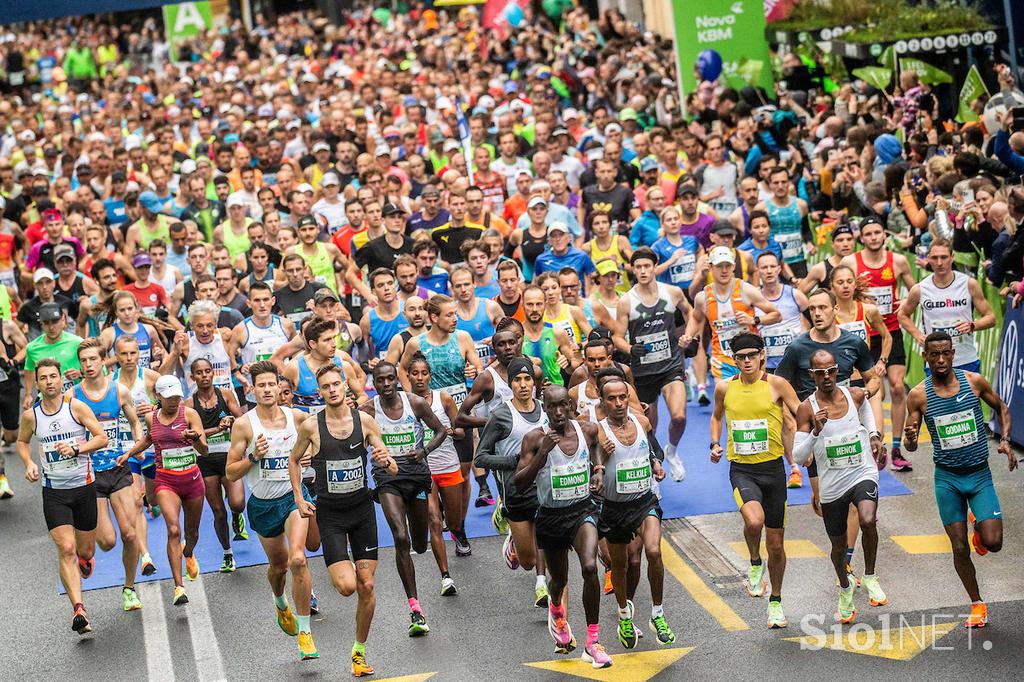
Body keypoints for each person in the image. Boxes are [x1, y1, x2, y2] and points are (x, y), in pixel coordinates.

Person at [288, 363, 396, 677]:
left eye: (337, 384)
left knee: (367, 584)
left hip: (362, 511)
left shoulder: (365, 421)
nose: (333, 390)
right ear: (319, 392)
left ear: (346, 386)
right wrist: (298, 497)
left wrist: (384, 459)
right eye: (326, 387)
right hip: (331, 515)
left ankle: (359, 653)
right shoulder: (311, 426)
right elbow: (294, 460)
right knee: (348, 587)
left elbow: (391, 468)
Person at [904, 332, 1017, 629]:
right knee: (958, 548)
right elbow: (911, 446)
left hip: (979, 476)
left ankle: (979, 526)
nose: (941, 360)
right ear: (925, 357)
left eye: (945, 354)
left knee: (993, 544)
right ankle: (977, 604)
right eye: (934, 355)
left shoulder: (974, 382)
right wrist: (911, 439)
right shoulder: (918, 395)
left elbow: (1002, 408)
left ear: (953, 353)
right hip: (948, 481)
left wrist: (1005, 440)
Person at [225, 361, 318, 659]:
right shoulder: (244, 424)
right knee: (278, 567)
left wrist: (310, 457)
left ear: (280, 387)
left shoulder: (298, 417)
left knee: (299, 560)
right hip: (263, 505)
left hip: (293, 498)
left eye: (271, 384)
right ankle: (280, 603)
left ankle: (305, 633)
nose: (267, 390)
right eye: (261, 385)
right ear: (252, 390)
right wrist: (253, 456)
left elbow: (319, 441)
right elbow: (230, 472)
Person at [514, 385, 612, 668]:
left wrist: (598, 470)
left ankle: (593, 642)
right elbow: (519, 484)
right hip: (551, 517)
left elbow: (596, 449)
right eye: (552, 407)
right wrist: (543, 453)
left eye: (562, 406)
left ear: (570, 406)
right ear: (544, 408)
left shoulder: (587, 430)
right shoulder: (535, 439)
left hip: (582, 511)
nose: (558, 412)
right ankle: (556, 608)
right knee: (558, 581)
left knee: (590, 567)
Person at [709, 333, 801, 628]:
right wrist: (714, 443)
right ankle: (753, 561)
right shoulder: (725, 387)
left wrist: (814, 435)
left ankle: (776, 600)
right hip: (742, 469)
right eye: (741, 357)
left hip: (773, 470)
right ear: (733, 359)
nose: (747, 361)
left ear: (762, 355)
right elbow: (716, 417)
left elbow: (800, 413)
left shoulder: (776, 384)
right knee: (753, 522)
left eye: (752, 355)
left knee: (776, 544)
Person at [17, 358, 109, 634]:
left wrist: (78, 449)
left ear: (60, 379)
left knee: (85, 550)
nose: (48, 382)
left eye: (53, 377)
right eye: (43, 378)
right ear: (39, 383)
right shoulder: (32, 416)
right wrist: (29, 463)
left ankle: (85, 560)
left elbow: (101, 437)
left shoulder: (76, 407)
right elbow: (22, 442)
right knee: (66, 549)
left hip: (83, 487)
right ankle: (79, 609)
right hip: (54, 492)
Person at [795, 349, 887, 624]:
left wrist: (873, 435)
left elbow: (867, 412)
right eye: (820, 372)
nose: (826, 377)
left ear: (838, 371)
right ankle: (845, 587)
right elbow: (798, 456)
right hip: (832, 483)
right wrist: (815, 432)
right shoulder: (806, 408)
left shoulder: (854, 394)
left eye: (831, 371)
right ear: (812, 375)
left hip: (861, 470)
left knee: (868, 519)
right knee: (838, 546)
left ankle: (870, 576)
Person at [361, 362, 450, 636]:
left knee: (420, 545)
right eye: (380, 380)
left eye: (390, 379)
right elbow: (354, 439)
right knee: (401, 537)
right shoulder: (368, 410)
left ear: (397, 380)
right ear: (374, 383)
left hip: (416, 475)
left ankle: (416, 548)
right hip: (387, 477)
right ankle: (415, 607)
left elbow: (441, 431)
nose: (386, 384)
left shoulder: (415, 403)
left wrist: (423, 452)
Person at [595, 376, 675, 648]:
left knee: (653, 551)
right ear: (602, 402)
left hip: (644, 502)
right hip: (614, 507)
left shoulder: (642, 422)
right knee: (619, 566)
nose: (618, 403)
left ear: (629, 398)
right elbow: (591, 469)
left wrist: (656, 465)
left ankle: (657, 614)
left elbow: (652, 450)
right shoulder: (598, 432)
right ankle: (624, 615)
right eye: (612, 399)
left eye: (622, 397)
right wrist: (601, 460)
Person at [119, 375, 209, 606]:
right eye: (169, 397)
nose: (174, 401)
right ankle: (179, 587)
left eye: (177, 396)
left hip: (192, 480)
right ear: (157, 397)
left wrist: (195, 438)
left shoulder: (189, 414)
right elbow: (148, 439)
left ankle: (188, 552)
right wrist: (128, 454)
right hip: (166, 481)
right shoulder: (151, 418)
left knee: (192, 534)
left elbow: (205, 451)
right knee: (173, 529)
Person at [73, 339, 145, 612]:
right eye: (84, 361)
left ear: (104, 361)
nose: (89, 365)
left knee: (129, 534)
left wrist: (137, 444)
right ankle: (85, 554)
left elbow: (135, 421)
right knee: (107, 541)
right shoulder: (74, 397)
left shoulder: (119, 391)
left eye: (93, 359)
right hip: (90, 475)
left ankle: (129, 589)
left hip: (118, 469)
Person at [475, 356, 551, 607]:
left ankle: (542, 584)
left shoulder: (545, 410)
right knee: (527, 561)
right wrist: (515, 461)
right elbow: (481, 458)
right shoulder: (501, 415)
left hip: (543, 488)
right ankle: (512, 537)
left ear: (534, 382)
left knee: (546, 536)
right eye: (517, 380)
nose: (523, 384)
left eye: (527, 378)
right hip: (515, 490)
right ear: (510, 384)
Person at [840, 217, 915, 471]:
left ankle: (895, 449)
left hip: (891, 332)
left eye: (877, 232)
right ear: (861, 237)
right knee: (873, 392)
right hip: (862, 335)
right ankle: (872, 443)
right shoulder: (851, 262)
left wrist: (904, 304)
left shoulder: (899, 261)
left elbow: (914, 292)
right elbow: (841, 290)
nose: (873, 237)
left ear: (885, 235)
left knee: (896, 388)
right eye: (868, 233)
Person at [399, 295, 483, 519]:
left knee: (463, 473)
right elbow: (402, 369)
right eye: (450, 315)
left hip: (460, 416)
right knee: (435, 469)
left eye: (455, 313)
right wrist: (412, 399)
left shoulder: (463, 338)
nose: (455, 318)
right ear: (434, 317)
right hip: (432, 415)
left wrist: (473, 372)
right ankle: (439, 512)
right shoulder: (417, 343)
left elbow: (478, 368)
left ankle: (459, 524)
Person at [405, 352, 464, 597]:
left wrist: (449, 432)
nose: (420, 378)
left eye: (424, 373)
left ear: (430, 375)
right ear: (407, 376)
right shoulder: (403, 403)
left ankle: (451, 520)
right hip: (423, 472)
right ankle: (446, 577)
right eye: (415, 374)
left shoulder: (444, 399)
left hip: (448, 465)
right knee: (434, 522)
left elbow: (462, 430)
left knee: (455, 522)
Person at [683, 246, 781, 383]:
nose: (724, 270)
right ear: (711, 267)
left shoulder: (746, 290)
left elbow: (776, 315)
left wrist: (753, 320)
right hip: (722, 361)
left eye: (727, 266)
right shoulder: (703, 297)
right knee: (726, 401)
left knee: (752, 402)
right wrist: (688, 336)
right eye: (719, 266)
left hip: (751, 359)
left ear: (734, 266)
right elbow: (696, 318)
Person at [898, 239, 995, 373]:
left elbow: (991, 317)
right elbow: (902, 315)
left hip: (966, 360)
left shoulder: (968, 284)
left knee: (969, 395)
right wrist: (918, 335)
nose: (939, 263)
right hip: (935, 363)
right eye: (934, 258)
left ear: (952, 257)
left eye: (944, 257)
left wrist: (973, 325)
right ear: (928, 259)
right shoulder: (920, 289)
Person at [188, 357, 246, 571]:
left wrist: (232, 420)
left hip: (229, 457)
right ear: (192, 377)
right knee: (218, 512)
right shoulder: (190, 405)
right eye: (199, 372)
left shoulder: (226, 395)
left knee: (238, 503)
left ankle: (238, 517)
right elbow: (193, 435)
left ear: (213, 373)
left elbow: (242, 420)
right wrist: (217, 430)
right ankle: (227, 553)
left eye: (208, 371)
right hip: (205, 462)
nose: (204, 375)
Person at [112, 334, 159, 577]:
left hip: (152, 448)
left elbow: (174, 406)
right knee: (136, 503)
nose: (129, 358)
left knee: (152, 497)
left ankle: (155, 502)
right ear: (116, 356)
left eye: (133, 353)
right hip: (125, 448)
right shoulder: (111, 383)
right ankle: (145, 556)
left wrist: (154, 408)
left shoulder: (150, 378)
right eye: (124, 354)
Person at [228, 281, 297, 402]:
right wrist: (238, 372)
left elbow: (298, 351)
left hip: (283, 396)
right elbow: (228, 353)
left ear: (273, 301)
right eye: (257, 300)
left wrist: (292, 372)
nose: (262, 305)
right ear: (249, 303)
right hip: (255, 397)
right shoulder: (241, 329)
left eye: (266, 299)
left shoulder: (286, 325)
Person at [23, 303, 83, 410]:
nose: (51, 327)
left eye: (55, 321)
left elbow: (98, 368)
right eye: (46, 323)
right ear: (41, 323)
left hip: (76, 400)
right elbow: (29, 370)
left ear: (63, 319)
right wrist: (28, 394)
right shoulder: (32, 348)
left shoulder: (77, 343)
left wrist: (80, 373)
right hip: (47, 402)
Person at [754, 167, 812, 278]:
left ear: (789, 183)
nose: (780, 186)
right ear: (770, 184)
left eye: (783, 182)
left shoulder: (801, 205)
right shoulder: (761, 208)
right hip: (773, 263)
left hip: (798, 260)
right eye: (776, 183)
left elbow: (806, 229)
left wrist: (809, 242)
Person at [521, 286, 580, 387]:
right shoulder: (517, 335)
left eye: (539, 304)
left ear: (545, 304)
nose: (534, 309)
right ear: (522, 305)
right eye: (530, 304)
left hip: (554, 395)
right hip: (526, 393)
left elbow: (574, 367)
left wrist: (568, 363)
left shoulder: (557, 332)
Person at [99, 291, 164, 370]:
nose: (127, 313)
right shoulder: (108, 334)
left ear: (136, 308)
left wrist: (158, 358)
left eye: (130, 308)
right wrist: (119, 357)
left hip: (145, 380)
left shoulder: (149, 330)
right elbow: (98, 365)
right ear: (116, 312)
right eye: (122, 310)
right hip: (119, 381)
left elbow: (165, 356)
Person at [0, 317, 27, 499]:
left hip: (8, 386)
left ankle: (4, 436)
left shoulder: (7, 326)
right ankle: (2, 480)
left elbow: (26, 347)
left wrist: (12, 361)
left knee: (12, 435)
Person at [361, 269, 408, 362]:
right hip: (384, 371)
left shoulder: (409, 310)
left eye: (390, 283)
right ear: (373, 292)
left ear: (395, 286)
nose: (386, 288)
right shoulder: (367, 320)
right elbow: (361, 354)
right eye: (380, 285)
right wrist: (368, 362)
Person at [799, 223, 857, 294]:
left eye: (849, 239)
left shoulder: (861, 263)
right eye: (840, 240)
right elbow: (798, 293)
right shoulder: (821, 269)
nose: (845, 244)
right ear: (832, 244)